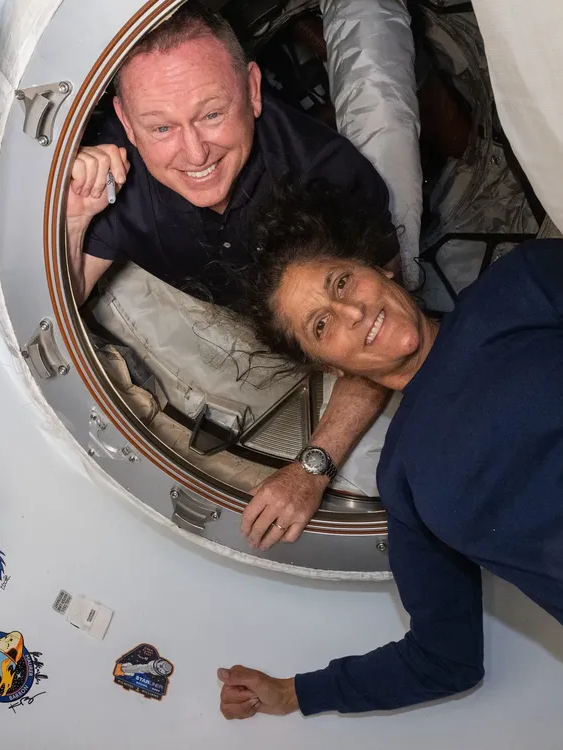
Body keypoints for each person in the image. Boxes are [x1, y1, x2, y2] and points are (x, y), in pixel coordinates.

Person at [215, 183, 563, 750]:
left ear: (380, 269)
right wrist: (296, 693)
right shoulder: (403, 482)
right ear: (326, 365)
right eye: (321, 325)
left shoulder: (524, 285)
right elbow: (444, 658)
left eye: (342, 282)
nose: (352, 311)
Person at [65, 2, 400, 549]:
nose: (194, 151)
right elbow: (61, 301)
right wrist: (75, 218)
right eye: (161, 126)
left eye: (212, 114)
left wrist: (312, 467)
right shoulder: (115, 174)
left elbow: (384, 333)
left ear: (252, 89)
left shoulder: (328, 177)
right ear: (126, 122)